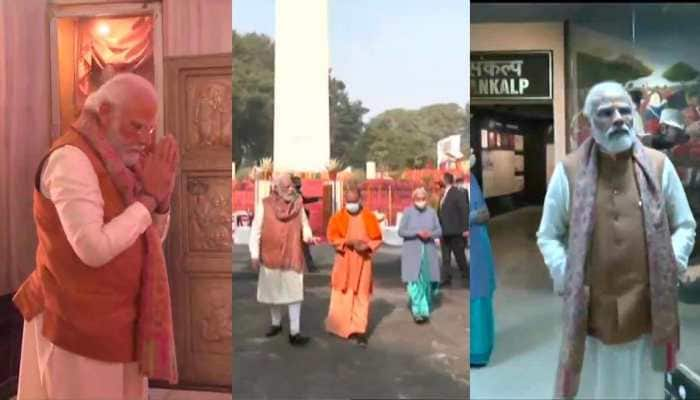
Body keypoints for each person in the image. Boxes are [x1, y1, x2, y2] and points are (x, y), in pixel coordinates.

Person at [13, 73, 180, 399]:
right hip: (75, 327)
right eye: (136, 126)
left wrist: (163, 200)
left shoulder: (120, 163)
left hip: (119, 321)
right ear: (104, 113)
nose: (146, 140)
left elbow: (148, 242)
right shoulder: (70, 159)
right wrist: (148, 199)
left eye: (150, 129)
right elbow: (92, 248)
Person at [537, 81, 697, 399]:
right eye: (606, 112)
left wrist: (671, 262)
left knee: (645, 389)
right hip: (592, 312)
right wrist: (567, 272)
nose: (618, 119)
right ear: (589, 120)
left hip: (647, 308)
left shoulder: (659, 165)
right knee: (598, 389)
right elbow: (548, 234)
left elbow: (685, 224)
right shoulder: (568, 171)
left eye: (624, 110)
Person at [249, 173, 314, 347]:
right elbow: (255, 230)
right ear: (276, 188)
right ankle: (276, 324)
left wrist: (308, 237)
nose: (291, 189)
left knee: (295, 295)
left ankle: (295, 332)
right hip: (270, 256)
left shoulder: (298, 205)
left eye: (291, 186)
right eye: (286, 187)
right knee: (272, 294)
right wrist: (254, 254)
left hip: (292, 255)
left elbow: (305, 226)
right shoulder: (264, 205)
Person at [325, 183, 382, 346]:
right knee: (342, 292)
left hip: (363, 261)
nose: (351, 205)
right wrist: (348, 242)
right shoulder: (337, 217)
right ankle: (339, 326)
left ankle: (359, 330)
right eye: (348, 201)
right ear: (345, 201)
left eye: (354, 201)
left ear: (360, 199)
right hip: (344, 260)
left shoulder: (369, 217)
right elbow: (332, 237)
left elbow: (377, 238)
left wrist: (367, 246)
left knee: (361, 294)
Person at [398, 187, 442, 323]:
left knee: (426, 282)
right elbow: (401, 231)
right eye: (418, 199)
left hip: (428, 252)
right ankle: (418, 311)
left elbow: (439, 230)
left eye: (423, 199)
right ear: (413, 200)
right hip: (412, 253)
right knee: (414, 283)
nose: (421, 201)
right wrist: (416, 233)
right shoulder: (408, 212)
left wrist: (430, 234)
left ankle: (424, 308)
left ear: (426, 200)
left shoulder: (432, 213)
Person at [469, 159, 497, 367]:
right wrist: (471, 217)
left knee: (481, 295)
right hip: (473, 243)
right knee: (475, 296)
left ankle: (483, 347)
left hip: (480, 242)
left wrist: (484, 214)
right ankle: (475, 350)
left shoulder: (473, 181)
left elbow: (484, 210)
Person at [438, 172, 469, 287]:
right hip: (444, 231)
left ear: (446, 180)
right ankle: (446, 278)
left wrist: (466, 228)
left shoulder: (457, 193)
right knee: (445, 257)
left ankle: (466, 273)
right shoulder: (443, 194)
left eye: (441, 180)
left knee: (459, 254)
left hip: (455, 231)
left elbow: (464, 210)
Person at [291, 175, 320, 272]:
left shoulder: (296, 194)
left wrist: (316, 199)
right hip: (296, 223)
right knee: (303, 247)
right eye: (298, 185)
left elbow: (304, 200)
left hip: (299, 223)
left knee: (304, 247)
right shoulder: (293, 195)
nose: (299, 186)